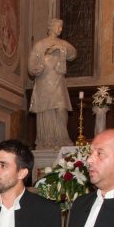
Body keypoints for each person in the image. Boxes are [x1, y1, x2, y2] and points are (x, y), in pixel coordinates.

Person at [28, 18, 77, 148]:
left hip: (58, 82)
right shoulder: (39, 45)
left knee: (61, 109)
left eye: (62, 27)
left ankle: (62, 139)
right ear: (51, 27)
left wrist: (61, 48)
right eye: (58, 26)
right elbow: (31, 64)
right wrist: (34, 69)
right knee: (45, 110)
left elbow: (73, 54)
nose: (60, 29)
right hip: (44, 82)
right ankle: (46, 140)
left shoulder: (62, 43)